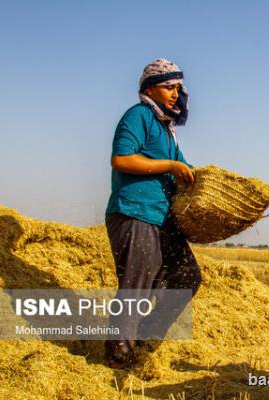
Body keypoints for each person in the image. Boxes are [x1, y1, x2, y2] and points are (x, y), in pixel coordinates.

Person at [104, 58, 202, 369]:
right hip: (134, 213)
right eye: (169, 87)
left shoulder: (167, 130)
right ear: (150, 89)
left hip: (161, 218)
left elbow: (185, 170)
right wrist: (171, 166)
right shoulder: (139, 116)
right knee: (136, 286)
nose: (176, 93)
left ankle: (144, 336)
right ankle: (118, 356)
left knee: (187, 277)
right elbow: (121, 159)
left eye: (178, 88)